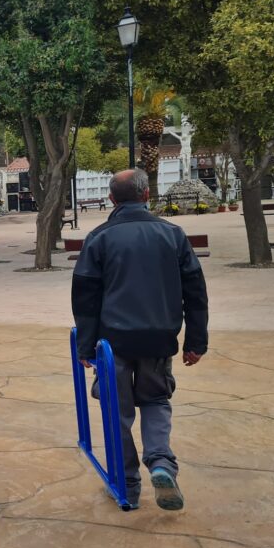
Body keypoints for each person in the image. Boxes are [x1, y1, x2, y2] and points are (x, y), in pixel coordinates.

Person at [71, 169, 208, 511]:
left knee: (117, 412)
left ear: (112, 199)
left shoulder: (99, 238)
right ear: (147, 196)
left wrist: (85, 347)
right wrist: (196, 340)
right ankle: (161, 463)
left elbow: (85, 299)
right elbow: (195, 292)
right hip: (158, 338)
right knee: (156, 401)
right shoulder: (172, 234)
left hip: (111, 343)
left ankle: (127, 482)